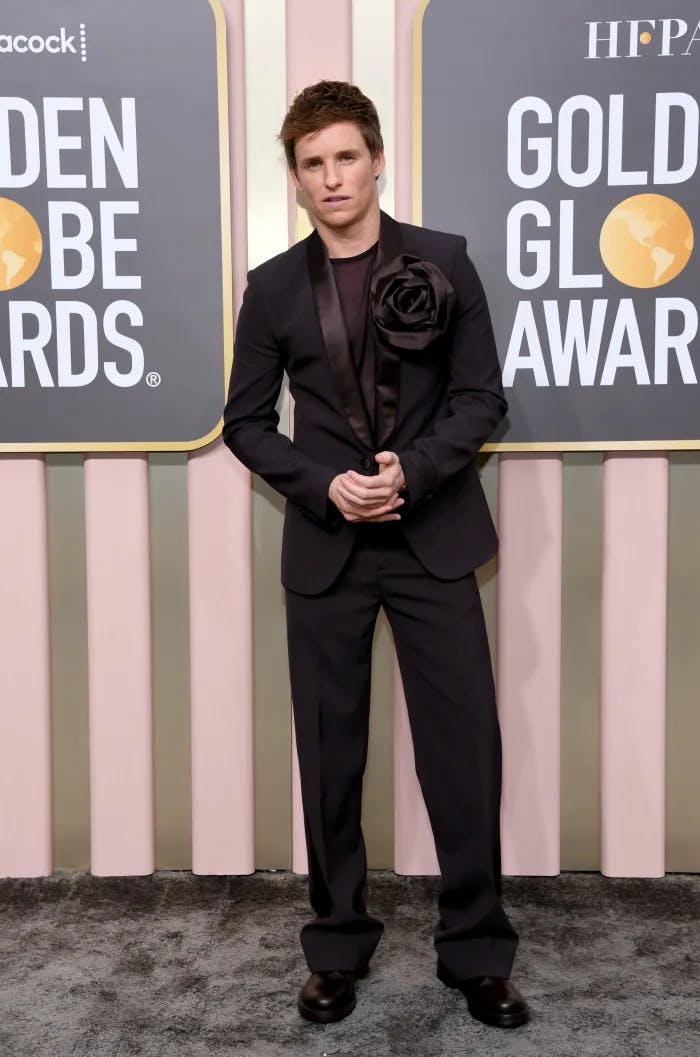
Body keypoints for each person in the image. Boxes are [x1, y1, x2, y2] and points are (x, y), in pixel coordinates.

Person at [221, 80, 529, 1030]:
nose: (331, 177)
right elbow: (245, 422)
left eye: (346, 156)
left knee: (464, 750)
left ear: (378, 157)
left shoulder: (447, 261)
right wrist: (326, 486)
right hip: (327, 550)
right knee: (330, 757)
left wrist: (415, 470)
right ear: (297, 177)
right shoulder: (272, 285)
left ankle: (477, 951)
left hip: (434, 541)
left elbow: (483, 398)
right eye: (312, 163)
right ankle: (337, 946)